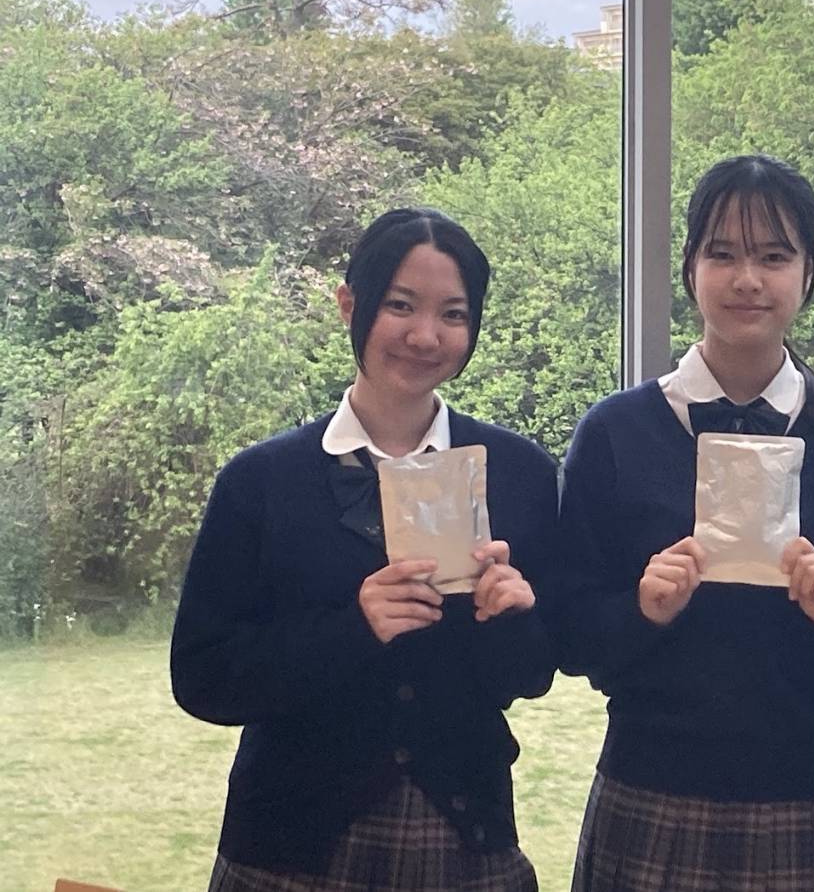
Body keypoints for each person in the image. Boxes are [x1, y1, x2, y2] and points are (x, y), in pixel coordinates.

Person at [547, 154, 814, 892]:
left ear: (808, 273)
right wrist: (642, 610)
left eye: (774, 257)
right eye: (723, 254)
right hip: (651, 795)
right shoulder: (616, 432)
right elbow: (570, 634)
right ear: (690, 268)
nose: (748, 279)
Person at [171, 207, 557, 892]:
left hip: (465, 832)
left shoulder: (518, 472)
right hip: (288, 843)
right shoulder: (262, 480)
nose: (424, 335)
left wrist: (514, 617)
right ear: (350, 305)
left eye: (453, 314)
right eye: (399, 305)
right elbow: (204, 678)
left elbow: (528, 677)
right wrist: (353, 627)